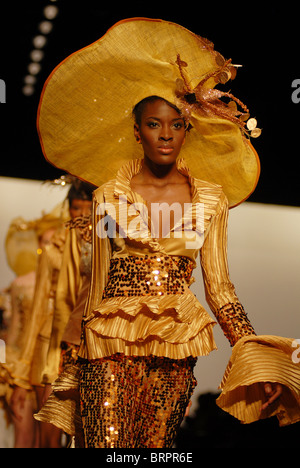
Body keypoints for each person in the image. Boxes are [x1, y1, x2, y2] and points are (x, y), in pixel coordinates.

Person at [35, 18, 300, 448]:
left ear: (187, 131)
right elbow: (97, 283)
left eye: (177, 125)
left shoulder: (210, 200)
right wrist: (73, 360)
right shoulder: (108, 197)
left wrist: (253, 355)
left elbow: (221, 288)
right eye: (155, 124)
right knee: (109, 447)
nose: (166, 135)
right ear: (137, 131)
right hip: (109, 340)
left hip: (177, 342)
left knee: (157, 452)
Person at [9, 181, 93, 448]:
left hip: (88, 343)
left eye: (87, 208)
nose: (80, 214)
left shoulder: (105, 246)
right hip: (50, 345)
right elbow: (35, 313)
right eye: (75, 208)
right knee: (47, 438)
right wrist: (20, 378)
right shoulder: (55, 245)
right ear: (67, 210)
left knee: (88, 433)